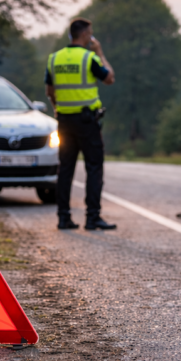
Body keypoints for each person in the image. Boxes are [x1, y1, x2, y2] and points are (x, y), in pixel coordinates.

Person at [45, 18, 116, 230]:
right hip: (87, 121)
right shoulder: (89, 58)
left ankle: (63, 217)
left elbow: (50, 92)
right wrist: (101, 52)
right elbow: (110, 78)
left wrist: (59, 109)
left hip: (64, 121)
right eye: (90, 33)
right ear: (85, 35)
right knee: (93, 167)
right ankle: (92, 218)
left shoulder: (54, 59)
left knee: (65, 169)